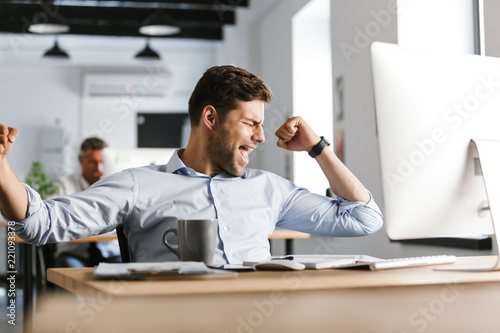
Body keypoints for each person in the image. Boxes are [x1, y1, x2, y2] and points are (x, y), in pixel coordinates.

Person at [0, 65, 383, 265]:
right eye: (251, 123)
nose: (262, 137)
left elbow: (364, 218)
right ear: (211, 118)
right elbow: (38, 224)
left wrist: (318, 148)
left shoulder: (269, 189)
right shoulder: (138, 185)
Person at [50, 137, 121, 267]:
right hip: (74, 253)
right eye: (93, 162)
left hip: (111, 253)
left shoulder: (115, 186)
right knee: (73, 274)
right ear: (81, 160)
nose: (99, 169)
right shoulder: (63, 185)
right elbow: (53, 216)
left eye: (103, 162)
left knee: (125, 276)